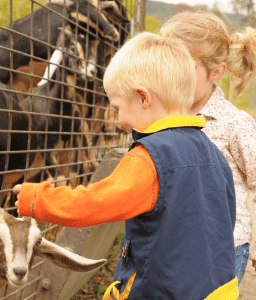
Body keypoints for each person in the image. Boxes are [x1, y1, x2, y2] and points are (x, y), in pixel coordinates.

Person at [13, 32, 239, 299]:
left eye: (118, 106)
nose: (118, 119)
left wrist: (38, 198)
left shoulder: (150, 157)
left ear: (143, 98)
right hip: (217, 289)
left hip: (164, 291)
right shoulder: (213, 153)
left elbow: (97, 203)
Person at [159, 11, 256, 285]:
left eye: (184, 68)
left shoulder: (234, 124)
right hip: (173, 244)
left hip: (224, 246)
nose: (172, 76)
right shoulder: (160, 119)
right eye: (166, 65)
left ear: (216, 72)